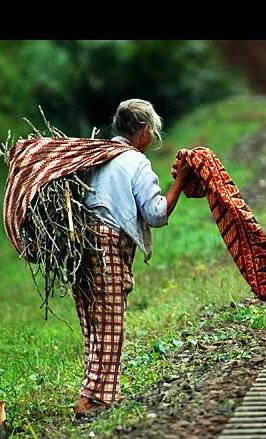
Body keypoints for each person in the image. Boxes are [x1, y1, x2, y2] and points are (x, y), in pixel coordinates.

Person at [72, 99, 191, 417]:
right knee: (111, 323)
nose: (152, 137)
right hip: (109, 243)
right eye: (151, 130)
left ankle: (96, 393)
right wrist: (180, 180)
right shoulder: (136, 163)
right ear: (141, 133)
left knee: (95, 322)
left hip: (82, 242)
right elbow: (156, 214)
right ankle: (94, 399)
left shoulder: (100, 154)